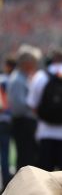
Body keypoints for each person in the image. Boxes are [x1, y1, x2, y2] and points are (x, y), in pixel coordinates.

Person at [7, 45, 41, 171]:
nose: (35, 64)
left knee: (29, 157)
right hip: (23, 123)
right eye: (33, 61)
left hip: (26, 123)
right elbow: (18, 107)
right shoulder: (17, 80)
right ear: (26, 63)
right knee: (25, 158)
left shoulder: (24, 78)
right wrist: (34, 106)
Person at [0, 55, 16, 189]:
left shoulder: (3, 80)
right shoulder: (15, 80)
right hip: (11, 119)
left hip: (2, 118)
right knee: (6, 151)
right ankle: (7, 179)